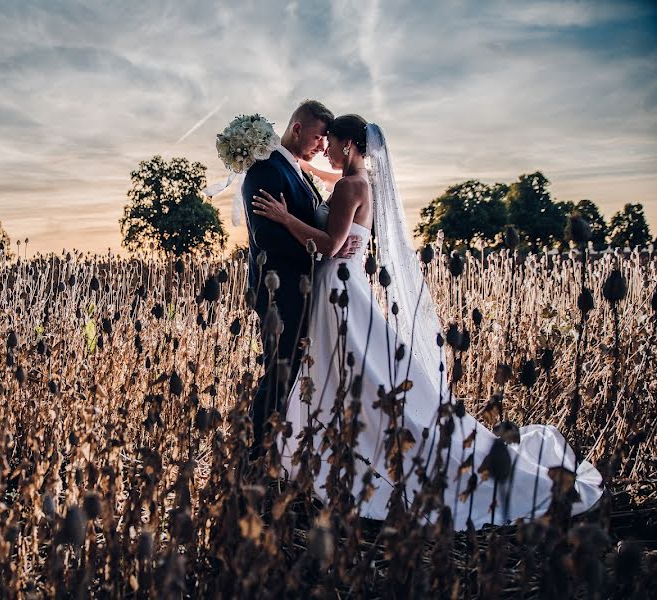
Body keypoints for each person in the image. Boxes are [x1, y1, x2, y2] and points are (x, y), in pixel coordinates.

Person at [251, 115, 602, 529]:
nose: (324, 147)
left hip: (337, 286)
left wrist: (284, 217)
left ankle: (347, 451)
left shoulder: (349, 186)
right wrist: (290, 160)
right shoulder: (361, 180)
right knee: (358, 373)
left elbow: (331, 246)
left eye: (331, 142)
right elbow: (326, 178)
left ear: (349, 145)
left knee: (358, 375)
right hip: (348, 285)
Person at [241, 100, 361, 460]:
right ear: (297, 129)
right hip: (279, 288)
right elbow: (267, 236)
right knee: (280, 370)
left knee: (292, 370)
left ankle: (279, 451)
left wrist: (331, 245)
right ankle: (253, 456)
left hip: (302, 287)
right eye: (319, 135)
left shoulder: (295, 170)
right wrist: (323, 252)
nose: (323, 144)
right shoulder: (266, 169)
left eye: (328, 138)